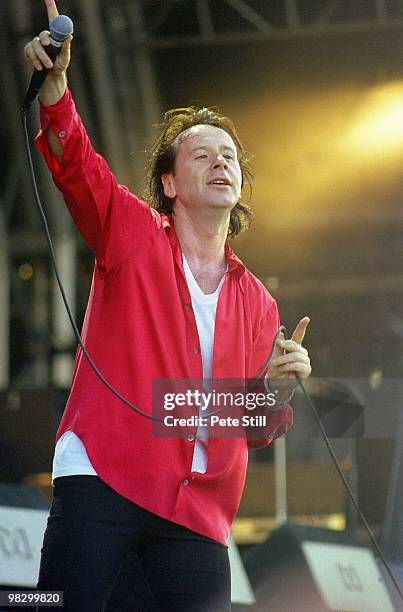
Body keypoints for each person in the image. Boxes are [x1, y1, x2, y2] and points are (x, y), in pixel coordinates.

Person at [24, 1, 312, 610]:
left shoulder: (258, 302)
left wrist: (278, 391)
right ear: (170, 184)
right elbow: (77, 167)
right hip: (104, 477)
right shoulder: (132, 232)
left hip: (197, 510)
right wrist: (56, 94)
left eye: (229, 155)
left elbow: (247, 426)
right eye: (202, 153)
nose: (220, 162)